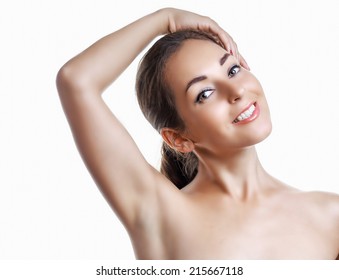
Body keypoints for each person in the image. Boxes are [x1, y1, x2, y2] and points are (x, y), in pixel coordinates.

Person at [56, 7, 339, 259]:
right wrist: (164, 18)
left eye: (232, 70)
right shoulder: (161, 214)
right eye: (205, 93)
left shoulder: (330, 217)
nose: (237, 91)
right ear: (178, 139)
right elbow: (76, 81)